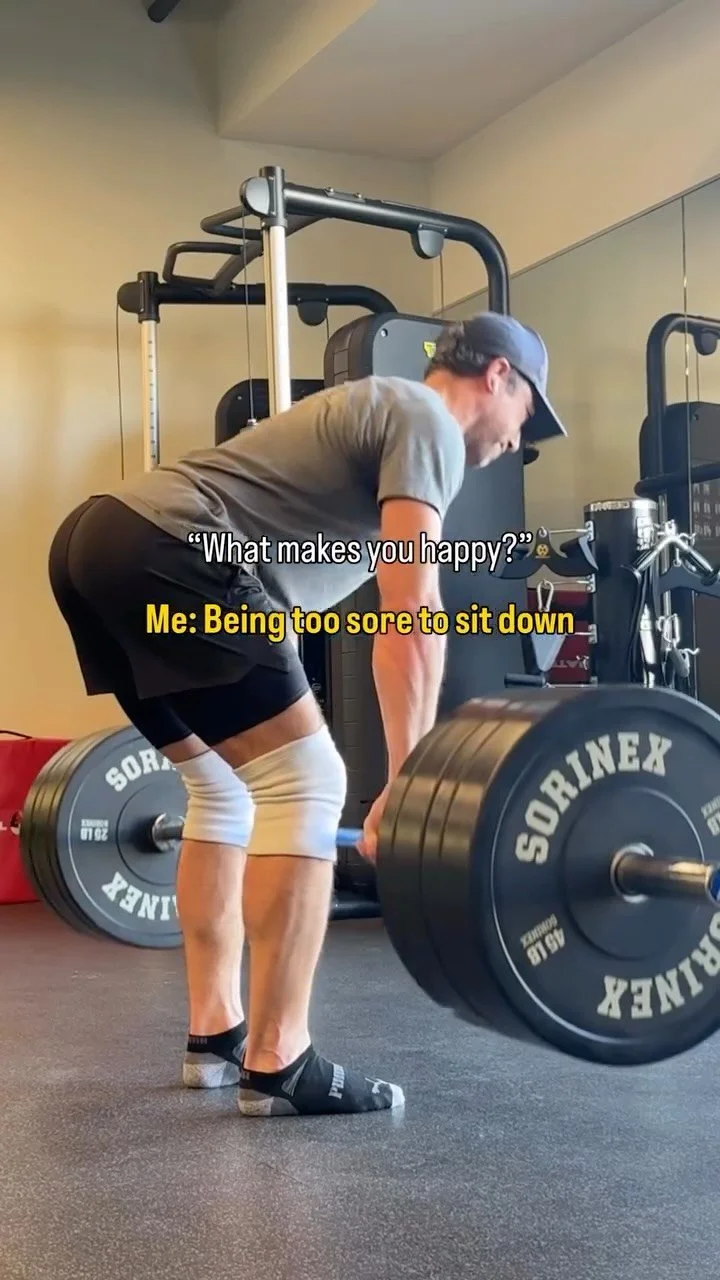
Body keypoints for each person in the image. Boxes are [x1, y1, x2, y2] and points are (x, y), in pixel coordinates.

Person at [48, 312, 565, 1118]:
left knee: (222, 789)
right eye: (528, 411)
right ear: (497, 375)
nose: (519, 438)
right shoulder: (426, 420)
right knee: (310, 780)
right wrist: (408, 779)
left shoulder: (375, 411)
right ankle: (279, 1057)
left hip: (97, 541)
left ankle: (215, 1034)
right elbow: (411, 613)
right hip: (172, 545)